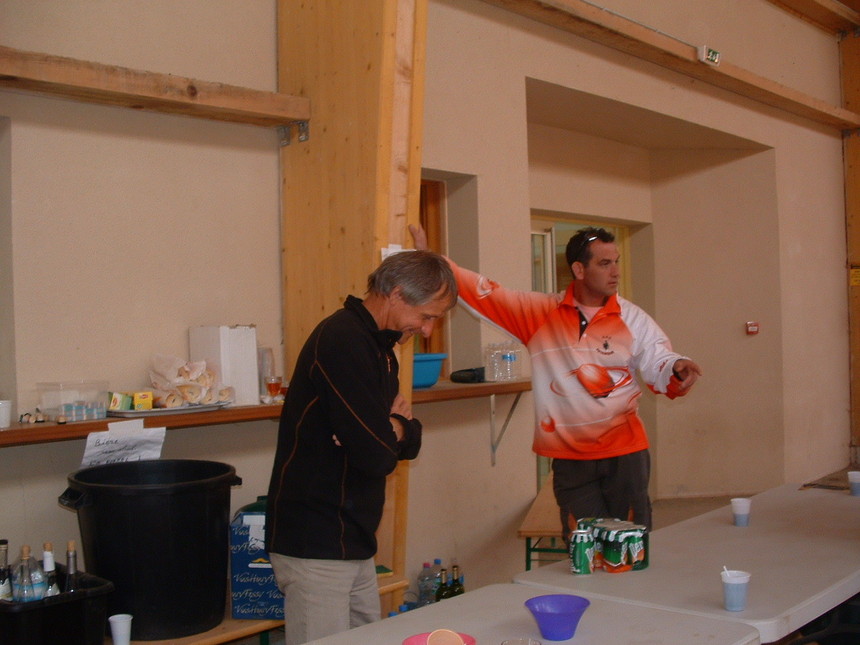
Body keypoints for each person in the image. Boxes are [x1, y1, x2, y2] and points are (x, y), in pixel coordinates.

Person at [410, 224, 700, 535]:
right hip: (570, 460)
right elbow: (482, 292)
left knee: (629, 549)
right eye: (604, 263)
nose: (615, 271)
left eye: (616, 261)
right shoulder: (540, 313)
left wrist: (676, 367)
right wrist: (430, 262)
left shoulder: (633, 318)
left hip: (625, 454)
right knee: (584, 552)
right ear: (578, 268)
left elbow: (658, 359)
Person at [265, 249, 457, 645]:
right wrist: (387, 431)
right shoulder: (343, 340)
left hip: (353, 538)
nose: (426, 330)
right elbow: (376, 456)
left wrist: (395, 427)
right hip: (315, 538)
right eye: (427, 316)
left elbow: (396, 439)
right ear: (397, 294)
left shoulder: (384, 350)